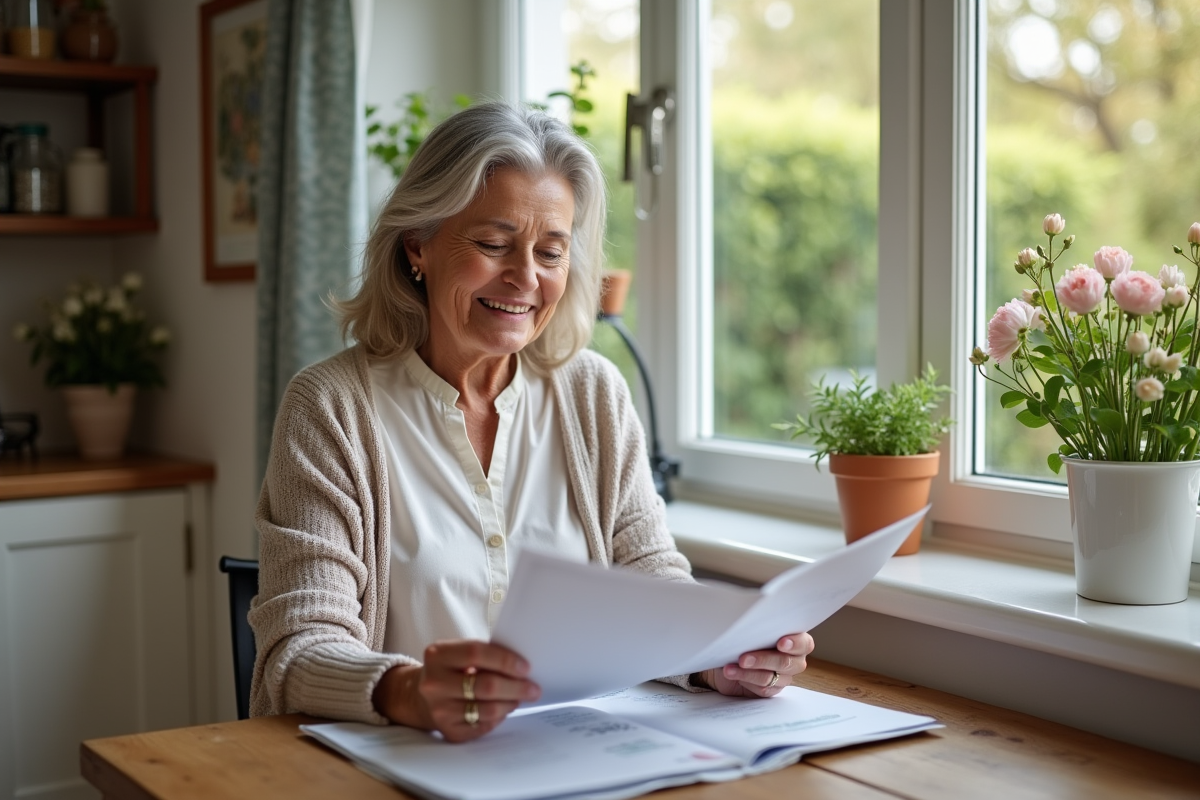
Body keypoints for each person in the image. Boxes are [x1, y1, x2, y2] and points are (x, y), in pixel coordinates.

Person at [248, 101, 814, 742]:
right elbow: (298, 648)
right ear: (417, 246)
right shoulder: (329, 407)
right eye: (493, 245)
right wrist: (408, 690)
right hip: (403, 764)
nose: (525, 279)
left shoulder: (594, 395)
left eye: (551, 252)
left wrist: (715, 660)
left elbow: (649, 578)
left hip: (580, 756)